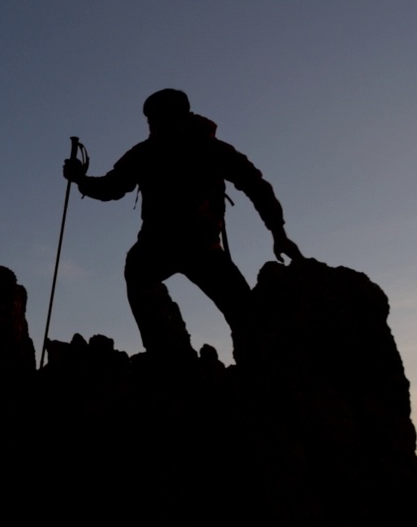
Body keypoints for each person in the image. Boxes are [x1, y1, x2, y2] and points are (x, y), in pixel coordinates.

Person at [63, 88, 302, 356]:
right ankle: (173, 357)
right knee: (241, 312)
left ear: (180, 118)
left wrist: (278, 232)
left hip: (181, 247)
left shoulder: (163, 152)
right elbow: (112, 187)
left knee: (242, 313)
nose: (154, 126)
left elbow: (255, 185)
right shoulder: (187, 150)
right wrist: (81, 181)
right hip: (194, 248)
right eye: (151, 121)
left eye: (157, 120)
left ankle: (174, 358)